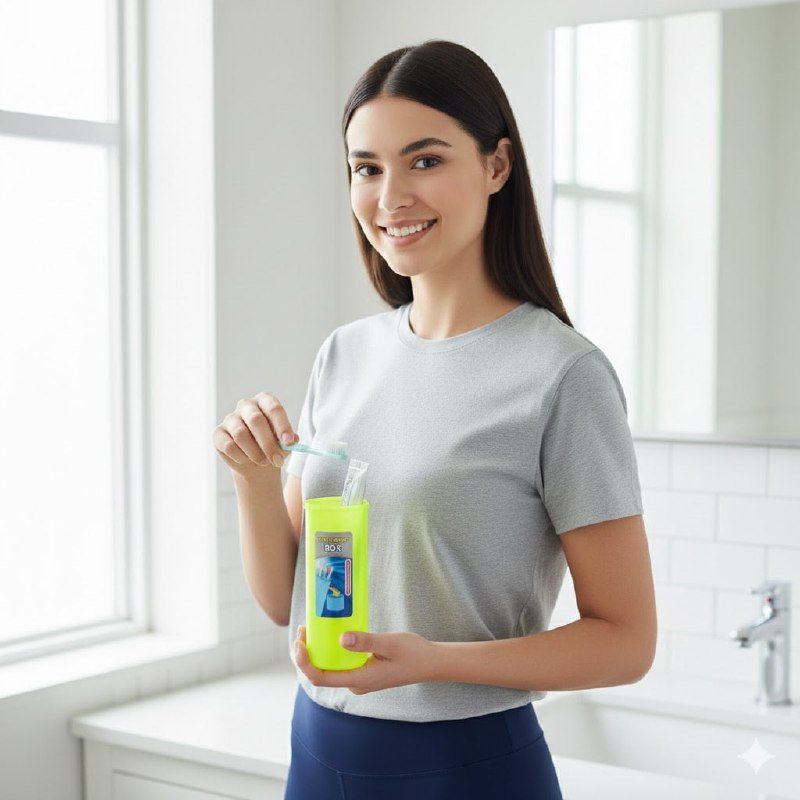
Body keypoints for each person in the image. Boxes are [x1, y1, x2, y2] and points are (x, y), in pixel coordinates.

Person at [213, 38, 657, 800]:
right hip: (316, 754)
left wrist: (437, 661)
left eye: (424, 160)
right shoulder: (343, 354)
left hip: (467, 768)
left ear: (496, 165)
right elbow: (287, 599)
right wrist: (254, 482)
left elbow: (627, 642)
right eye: (367, 168)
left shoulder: (562, 376)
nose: (390, 197)